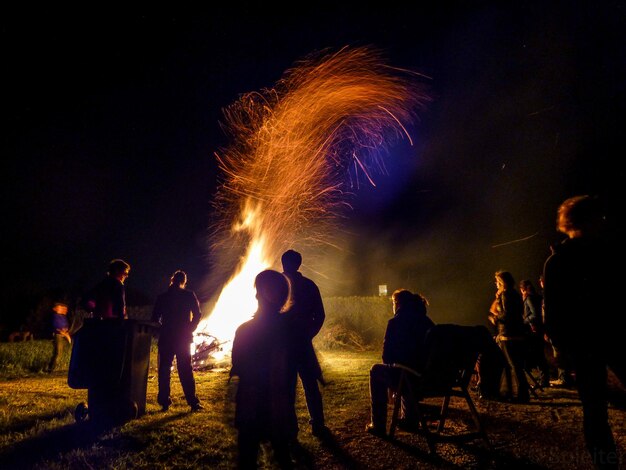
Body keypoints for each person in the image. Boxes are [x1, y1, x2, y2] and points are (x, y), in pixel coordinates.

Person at [543, 195, 625, 469]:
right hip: (611, 336)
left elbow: (553, 311)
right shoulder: (609, 253)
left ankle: (606, 464)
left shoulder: (558, 261)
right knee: (595, 410)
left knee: (594, 410)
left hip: (585, 342)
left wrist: (561, 347)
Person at [230, 269, 298, 469]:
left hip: (251, 406)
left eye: (258, 290)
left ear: (262, 295)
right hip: (280, 406)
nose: (256, 294)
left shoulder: (245, 330)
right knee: (282, 455)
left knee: (248, 455)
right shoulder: (290, 330)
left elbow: (238, 365)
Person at [366, 289, 435, 437]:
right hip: (430, 378)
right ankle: (410, 420)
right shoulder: (428, 322)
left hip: (412, 378)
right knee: (407, 369)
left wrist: (391, 378)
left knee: (377, 370)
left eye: (393, 303)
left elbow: (387, 357)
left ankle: (378, 424)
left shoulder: (395, 322)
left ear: (397, 303)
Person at [280, 249, 328, 437]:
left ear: (283, 263)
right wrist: (309, 334)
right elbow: (320, 315)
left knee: (286, 387)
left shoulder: (277, 285)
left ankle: (291, 428)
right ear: (299, 264)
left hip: (283, 346)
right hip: (302, 343)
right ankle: (318, 423)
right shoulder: (309, 285)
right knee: (310, 385)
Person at [151, 270, 203, 412]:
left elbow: (155, 319)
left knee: (164, 369)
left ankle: (164, 402)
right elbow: (198, 314)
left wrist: (161, 329)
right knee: (185, 369)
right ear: (183, 281)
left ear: (172, 280)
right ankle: (193, 402)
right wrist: (191, 328)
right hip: (183, 337)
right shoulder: (188, 295)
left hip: (166, 337)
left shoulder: (162, 297)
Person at [488, 270, 530, 403]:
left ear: (502, 282)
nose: (496, 284)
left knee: (513, 365)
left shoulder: (506, 295)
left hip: (508, 334)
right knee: (512, 365)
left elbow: (507, 314)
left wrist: (495, 317)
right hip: (516, 333)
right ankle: (510, 393)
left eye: (497, 281)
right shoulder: (515, 294)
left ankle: (521, 395)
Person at [519, 279, 551, 388]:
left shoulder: (529, 298)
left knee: (539, 355)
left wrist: (524, 321)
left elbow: (535, 315)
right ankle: (544, 379)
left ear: (522, 289)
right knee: (539, 354)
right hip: (538, 329)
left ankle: (544, 380)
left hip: (534, 330)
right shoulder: (536, 297)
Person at [47, 301, 71, 373]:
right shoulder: (56, 316)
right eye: (62, 308)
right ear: (56, 309)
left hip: (64, 335)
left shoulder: (63, 317)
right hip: (59, 335)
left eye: (65, 309)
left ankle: (57, 367)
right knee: (58, 353)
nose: (65, 310)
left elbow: (65, 326)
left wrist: (67, 333)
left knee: (62, 352)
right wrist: (65, 334)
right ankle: (51, 369)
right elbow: (56, 327)